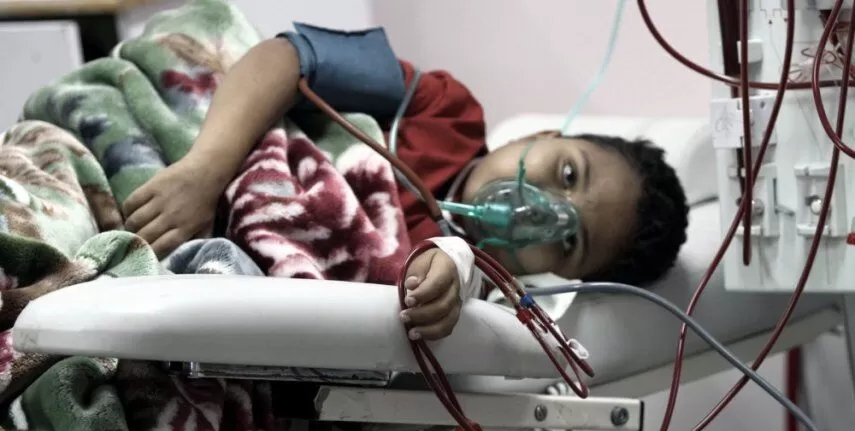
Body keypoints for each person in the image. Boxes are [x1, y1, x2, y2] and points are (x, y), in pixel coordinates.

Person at [121, 24, 689, 342]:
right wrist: (203, 171)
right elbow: (287, 58)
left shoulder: (469, 303)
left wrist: (451, 279)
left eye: (568, 239)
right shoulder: (445, 112)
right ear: (542, 134)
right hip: (195, 162)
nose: (541, 207)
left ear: (557, 276)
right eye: (566, 174)